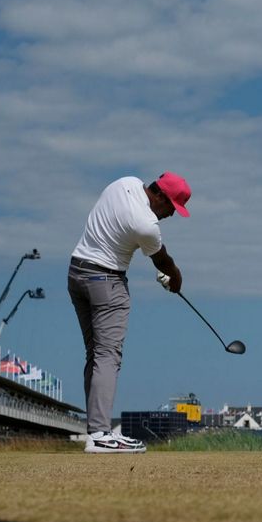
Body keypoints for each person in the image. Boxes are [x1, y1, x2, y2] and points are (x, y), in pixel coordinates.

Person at [69, 172, 189, 454]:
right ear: (158, 195)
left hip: (76, 273)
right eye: (171, 207)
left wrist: (164, 271)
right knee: (108, 356)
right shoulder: (147, 224)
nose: (171, 214)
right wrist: (175, 276)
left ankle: (96, 431)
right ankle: (99, 434)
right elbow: (162, 259)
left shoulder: (124, 183)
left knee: (96, 355)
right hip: (106, 283)